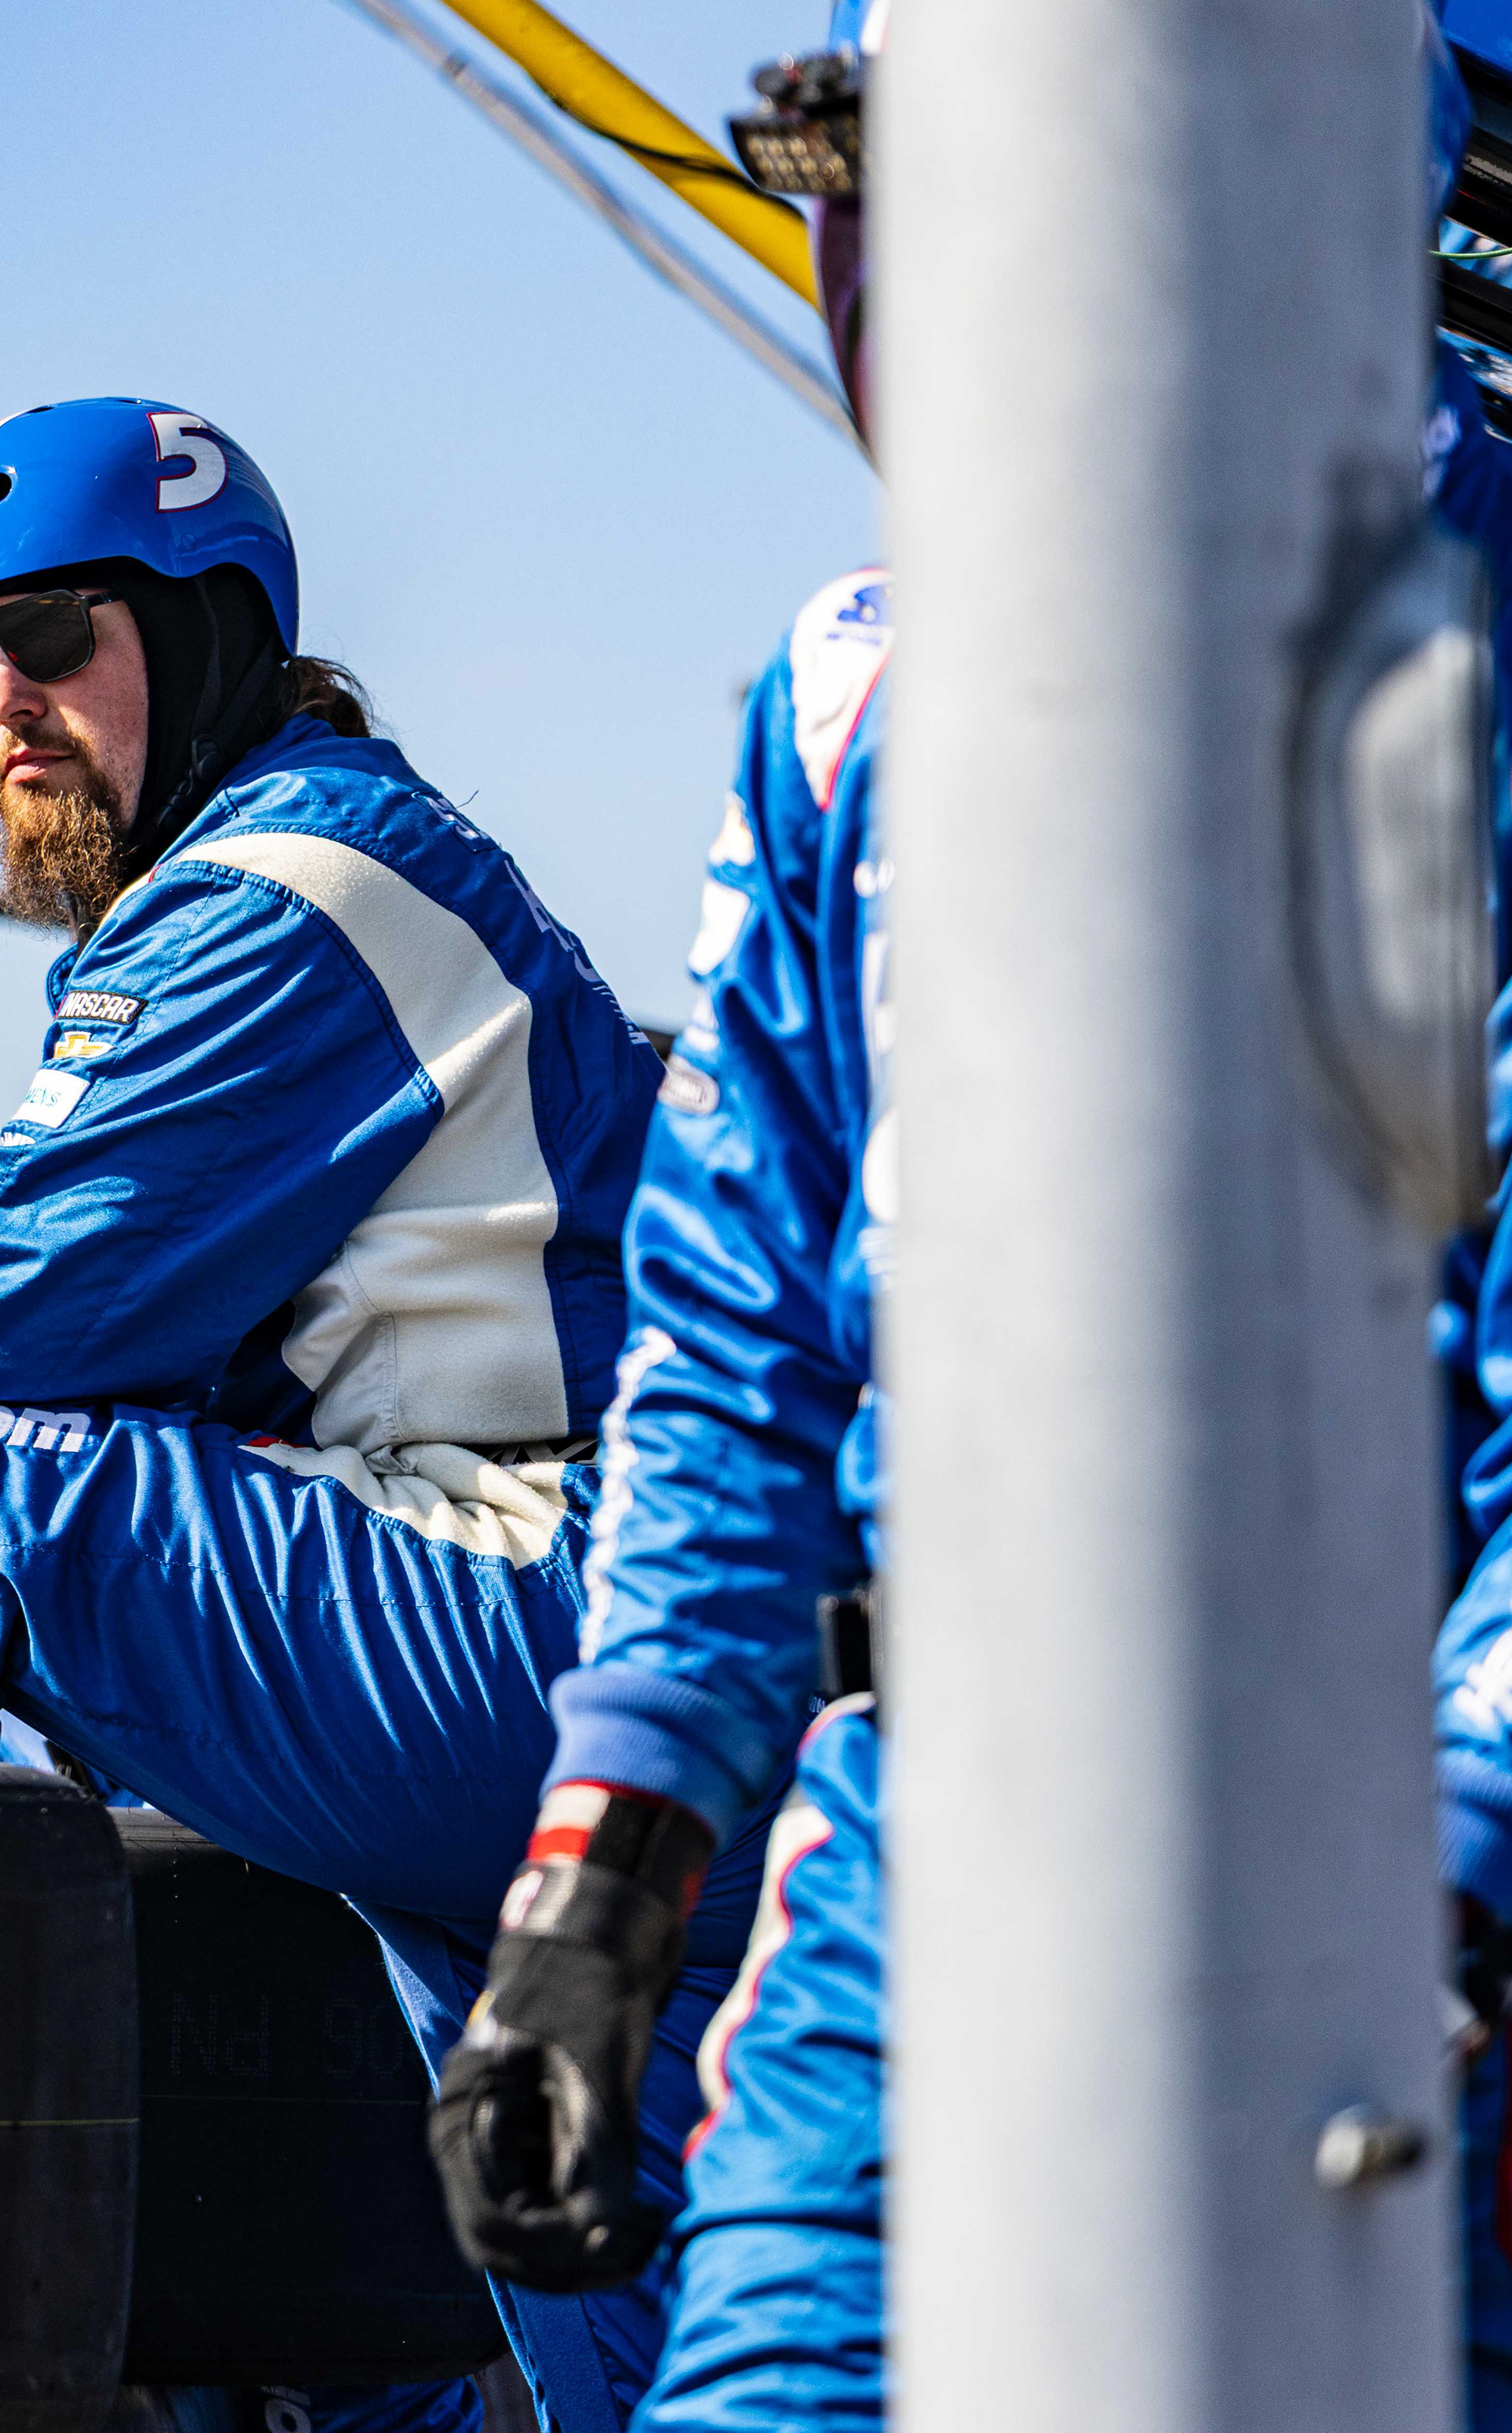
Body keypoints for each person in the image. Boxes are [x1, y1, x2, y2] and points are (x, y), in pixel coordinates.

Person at [430, 8, 1512, 2423]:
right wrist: (607, 1858)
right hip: (917, 1865)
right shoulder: (845, 709)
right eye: (861, 178)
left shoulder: (1477, 633)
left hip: (1399, 1885)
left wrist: (1439, 1889)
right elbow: (736, 1343)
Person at [0, 397, 770, 2431]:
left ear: (203, 633)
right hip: (657, 1706)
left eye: (46, 638)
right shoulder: (357, 867)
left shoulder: (284, 886)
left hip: (544, 1633)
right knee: (602, 2371)